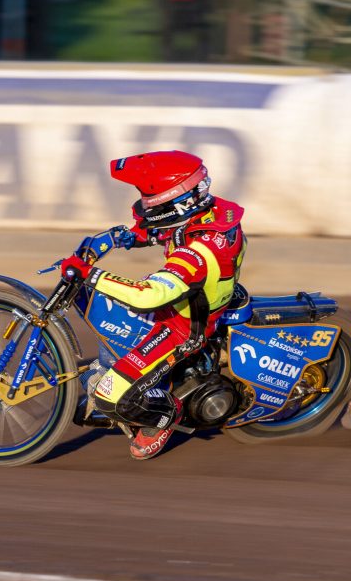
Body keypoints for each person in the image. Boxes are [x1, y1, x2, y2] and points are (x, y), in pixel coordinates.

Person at [59, 150, 246, 460]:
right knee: (110, 332)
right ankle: (148, 381)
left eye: (151, 197)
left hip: (183, 327)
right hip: (189, 300)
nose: (145, 203)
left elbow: (149, 295)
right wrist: (119, 238)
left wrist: (91, 275)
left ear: (177, 201)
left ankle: (166, 416)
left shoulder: (199, 250)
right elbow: (160, 231)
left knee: (110, 399)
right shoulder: (206, 213)